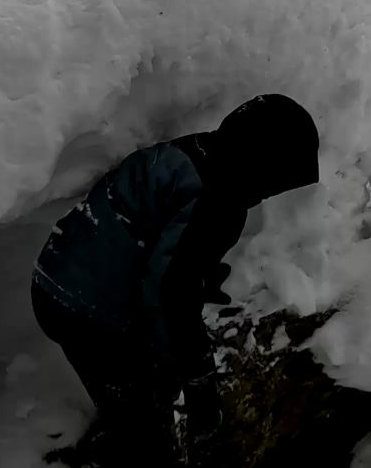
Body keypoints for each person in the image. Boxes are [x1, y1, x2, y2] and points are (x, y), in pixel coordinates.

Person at [31, 94, 322, 466]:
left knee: (146, 386)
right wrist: (199, 380)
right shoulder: (217, 198)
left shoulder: (199, 153)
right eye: (278, 179)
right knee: (148, 432)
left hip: (60, 275)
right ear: (262, 164)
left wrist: (194, 274)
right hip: (82, 307)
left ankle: (112, 442)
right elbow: (169, 295)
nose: (271, 193)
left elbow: (162, 239)